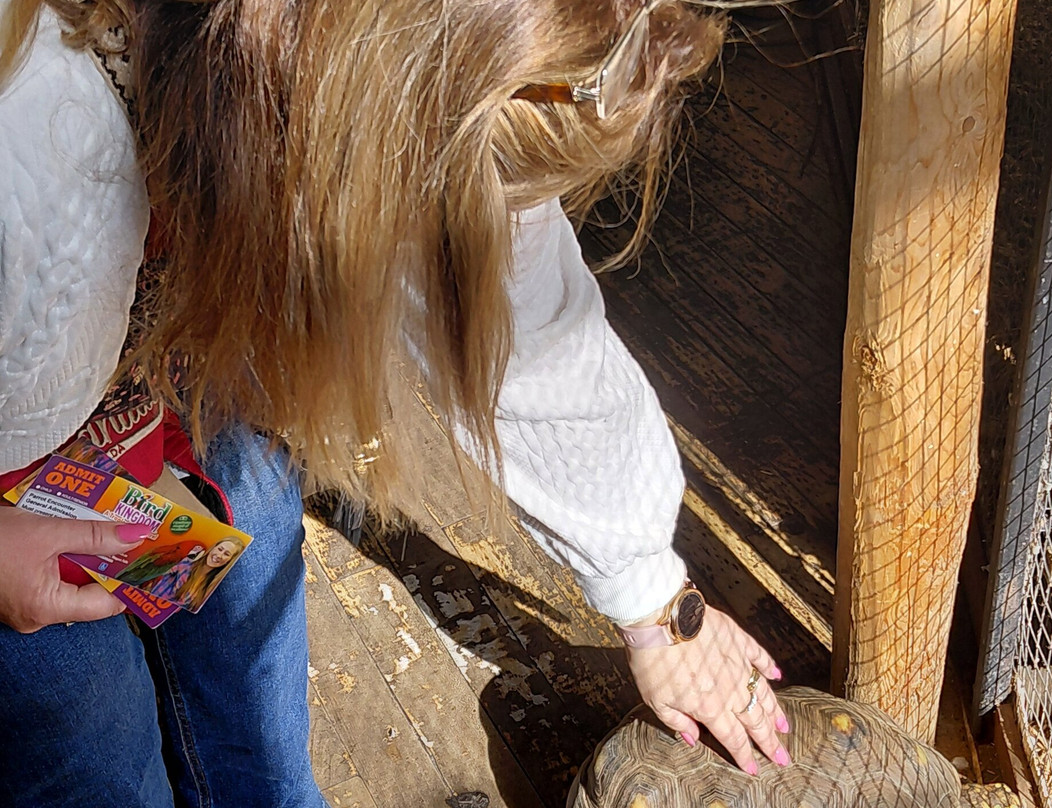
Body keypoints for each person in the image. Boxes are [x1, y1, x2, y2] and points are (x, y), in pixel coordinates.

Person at [0, 0, 790, 806]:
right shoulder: (32, 146)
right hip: (18, 484)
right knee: (91, 742)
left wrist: (655, 600)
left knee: (258, 701)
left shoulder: (410, 57)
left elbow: (517, 310)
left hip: (189, 378)